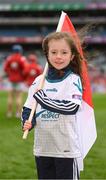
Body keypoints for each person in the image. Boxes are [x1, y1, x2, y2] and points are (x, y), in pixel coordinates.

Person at [22, 32, 83, 179]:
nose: (58, 56)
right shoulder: (38, 81)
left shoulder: (73, 80)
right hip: (43, 148)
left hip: (65, 148)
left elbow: (71, 107)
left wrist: (43, 99)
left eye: (64, 52)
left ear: (72, 56)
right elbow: (29, 107)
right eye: (54, 52)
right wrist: (27, 122)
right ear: (47, 55)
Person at [4, 44, 27, 118]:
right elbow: (25, 69)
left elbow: (5, 69)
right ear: (20, 51)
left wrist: (10, 73)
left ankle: (9, 113)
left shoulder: (9, 58)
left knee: (10, 97)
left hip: (11, 79)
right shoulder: (22, 58)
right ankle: (18, 113)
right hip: (19, 80)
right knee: (18, 97)